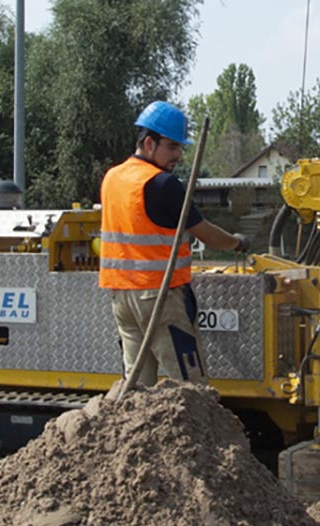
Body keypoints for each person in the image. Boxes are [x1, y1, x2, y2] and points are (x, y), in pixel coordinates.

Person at [99, 101, 250, 386]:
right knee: (190, 387)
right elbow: (205, 232)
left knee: (136, 388)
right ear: (148, 143)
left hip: (122, 297)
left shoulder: (112, 178)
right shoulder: (161, 184)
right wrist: (237, 243)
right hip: (159, 297)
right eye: (172, 147)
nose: (178, 156)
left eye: (180, 148)